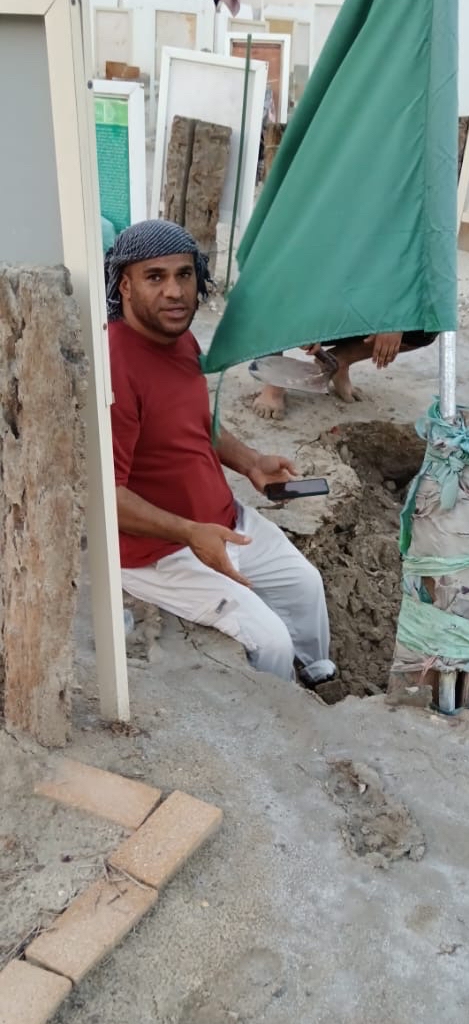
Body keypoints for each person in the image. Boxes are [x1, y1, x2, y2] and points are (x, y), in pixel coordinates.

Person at [106, 219, 336, 687]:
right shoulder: (114, 366)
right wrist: (190, 532)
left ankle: (317, 683)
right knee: (270, 641)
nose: (175, 292)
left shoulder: (180, 339)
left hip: (224, 522)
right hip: (161, 553)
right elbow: (108, 497)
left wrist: (251, 463)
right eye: (155, 277)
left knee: (305, 586)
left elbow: (194, 423)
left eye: (184, 274)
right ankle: (279, 714)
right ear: (125, 285)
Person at [252, 330, 437, 420]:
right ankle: (274, 378)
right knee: (274, 288)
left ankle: (341, 359)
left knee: (426, 324)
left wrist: (394, 321)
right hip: (307, 289)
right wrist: (307, 319)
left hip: (351, 292)